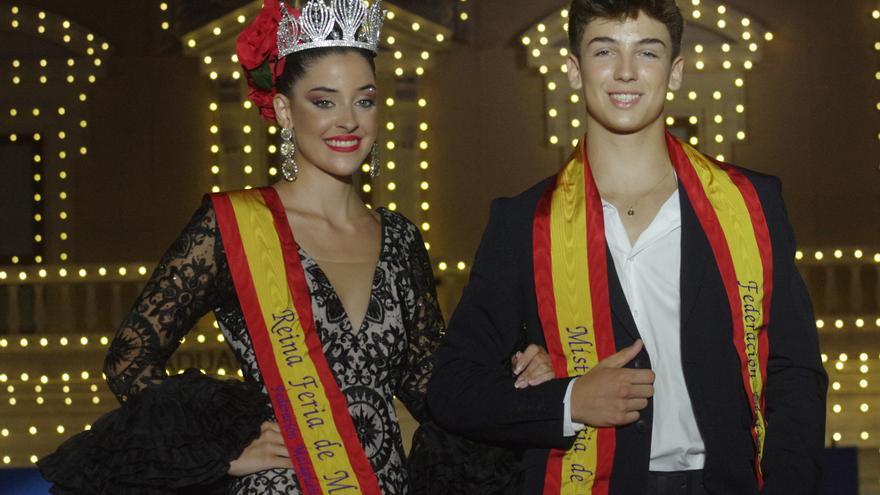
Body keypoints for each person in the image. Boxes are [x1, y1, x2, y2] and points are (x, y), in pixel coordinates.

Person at [38, 0, 452, 493]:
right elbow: (130, 360)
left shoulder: (401, 239)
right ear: (283, 110)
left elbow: (434, 390)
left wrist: (528, 374)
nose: (348, 120)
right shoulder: (232, 225)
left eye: (364, 100)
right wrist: (222, 451)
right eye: (324, 101)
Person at [427, 1, 828, 494]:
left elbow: (795, 374)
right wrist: (568, 401)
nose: (625, 72)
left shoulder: (750, 205)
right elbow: (453, 388)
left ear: (675, 71)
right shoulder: (523, 222)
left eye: (648, 52)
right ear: (574, 70)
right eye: (604, 50)